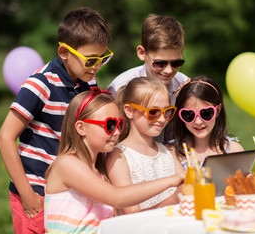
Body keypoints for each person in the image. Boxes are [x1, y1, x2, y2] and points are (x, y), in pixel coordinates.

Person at [0, 7, 113, 233]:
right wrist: (27, 193)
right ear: (64, 52)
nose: (97, 66)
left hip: (68, 192)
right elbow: (5, 137)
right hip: (36, 193)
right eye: (91, 60)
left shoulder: (88, 83)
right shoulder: (40, 85)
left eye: (103, 58)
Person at [44, 88, 184, 233]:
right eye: (110, 125)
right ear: (81, 127)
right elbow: (117, 197)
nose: (117, 132)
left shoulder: (101, 174)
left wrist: (174, 199)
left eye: (119, 125)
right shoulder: (67, 163)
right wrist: (172, 180)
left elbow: (121, 221)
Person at [105, 77, 185, 214]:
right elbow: (132, 213)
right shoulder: (118, 156)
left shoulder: (167, 152)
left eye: (167, 112)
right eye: (153, 112)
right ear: (129, 111)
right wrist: (174, 200)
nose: (161, 119)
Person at [107, 14, 188, 106]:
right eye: (160, 63)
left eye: (176, 63)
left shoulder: (184, 85)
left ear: (181, 53)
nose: (168, 70)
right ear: (142, 53)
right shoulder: (119, 88)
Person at [164, 76, 244, 168]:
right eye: (189, 115)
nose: (198, 122)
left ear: (218, 110)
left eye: (206, 113)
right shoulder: (172, 153)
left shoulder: (233, 151)